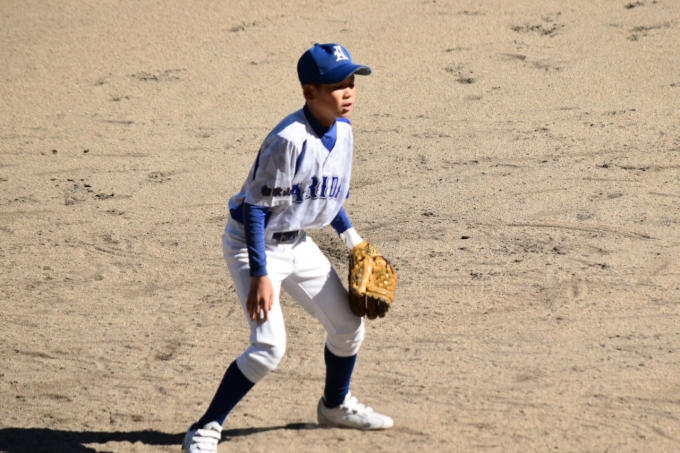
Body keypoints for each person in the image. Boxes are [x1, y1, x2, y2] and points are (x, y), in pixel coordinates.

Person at [182, 42, 393, 453]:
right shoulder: (287, 140)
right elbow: (256, 210)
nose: (348, 92)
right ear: (309, 92)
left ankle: (335, 405)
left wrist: (354, 240)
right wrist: (261, 275)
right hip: (252, 244)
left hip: (296, 241)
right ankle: (205, 428)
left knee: (348, 327)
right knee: (269, 347)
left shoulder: (344, 132)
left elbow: (325, 197)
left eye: (352, 83)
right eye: (338, 85)